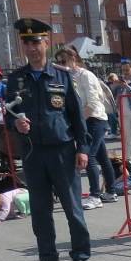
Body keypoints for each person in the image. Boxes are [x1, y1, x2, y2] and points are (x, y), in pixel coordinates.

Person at [5, 18, 91, 261]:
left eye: (36, 42)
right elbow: (10, 113)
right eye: (26, 43)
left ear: (46, 43)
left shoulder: (62, 76)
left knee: (73, 209)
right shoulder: (16, 79)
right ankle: (49, 260)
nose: (32, 48)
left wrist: (83, 148)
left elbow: (76, 116)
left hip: (62, 151)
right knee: (40, 211)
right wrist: (15, 123)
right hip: (33, 153)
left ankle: (80, 256)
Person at [54, 47, 117, 210]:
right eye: (59, 62)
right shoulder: (66, 77)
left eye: (64, 61)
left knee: (89, 155)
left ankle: (95, 195)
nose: (62, 64)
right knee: (102, 156)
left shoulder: (86, 75)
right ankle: (111, 191)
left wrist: (78, 123)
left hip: (95, 119)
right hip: (85, 120)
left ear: (73, 58)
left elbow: (93, 103)